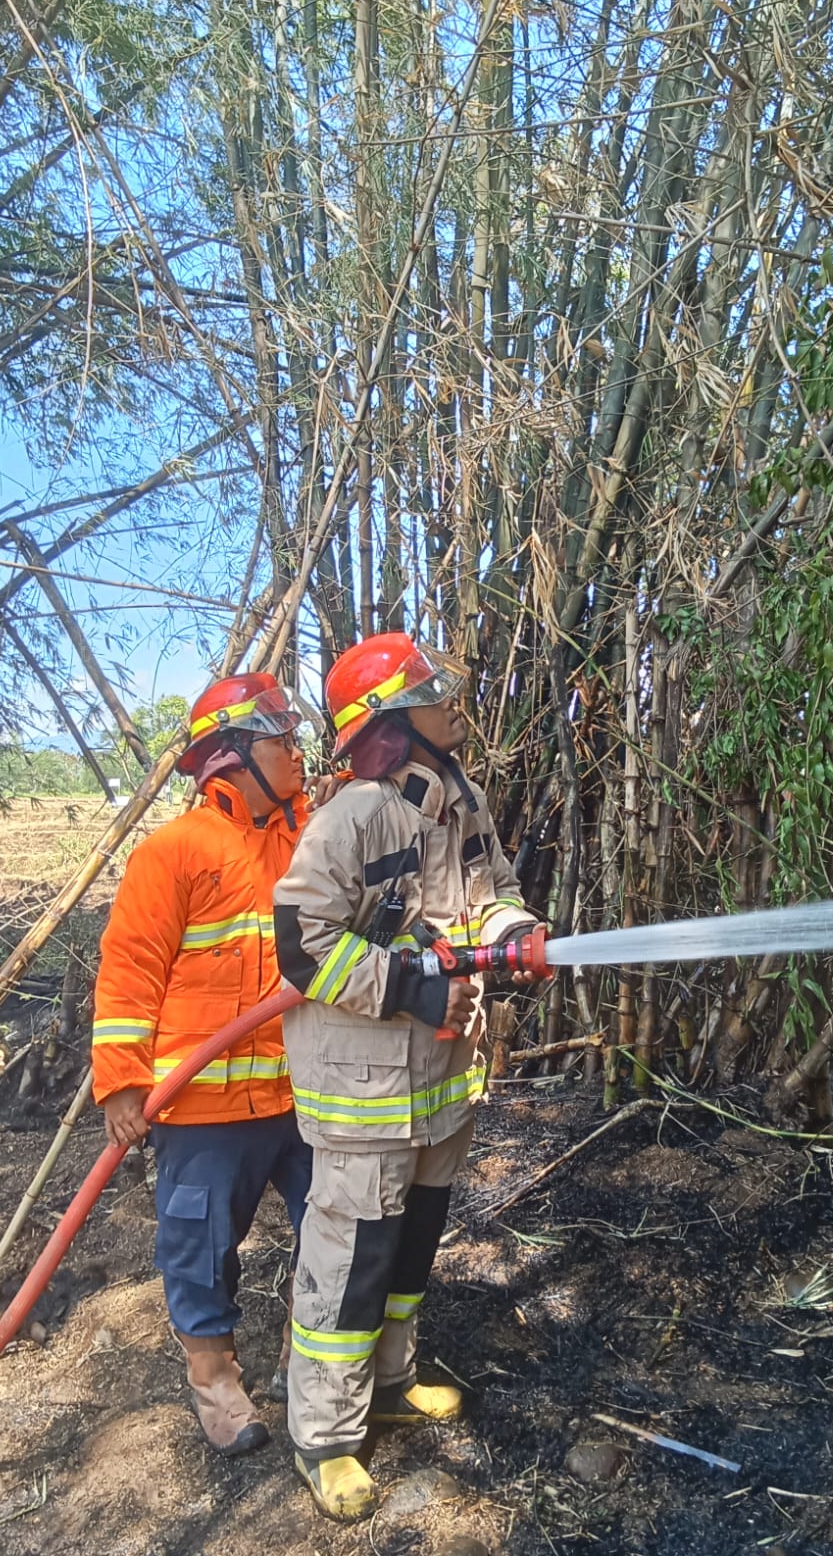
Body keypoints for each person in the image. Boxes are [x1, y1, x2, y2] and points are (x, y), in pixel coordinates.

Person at [273, 632, 544, 1521]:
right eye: (434, 690)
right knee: (350, 1264)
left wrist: (513, 931)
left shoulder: (458, 800)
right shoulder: (354, 816)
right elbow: (302, 942)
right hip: (362, 1088)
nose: (452, 699)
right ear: (391, 722)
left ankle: (392, 1382)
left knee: (412, 1249)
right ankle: (327, 1437)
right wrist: (407, 987)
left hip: (436, 1086)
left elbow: (492, 886)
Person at [92, 672, 314, 1456]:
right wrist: (122, 1080)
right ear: (231, 758)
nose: (296, 750)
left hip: (300, 1094)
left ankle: (308, 1358)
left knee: (332, 1225)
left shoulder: (307, 836)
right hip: (202, 1110)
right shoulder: (175, 851)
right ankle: (215, 1380)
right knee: (200, 1242)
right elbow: (129, 969)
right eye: (280, 739)